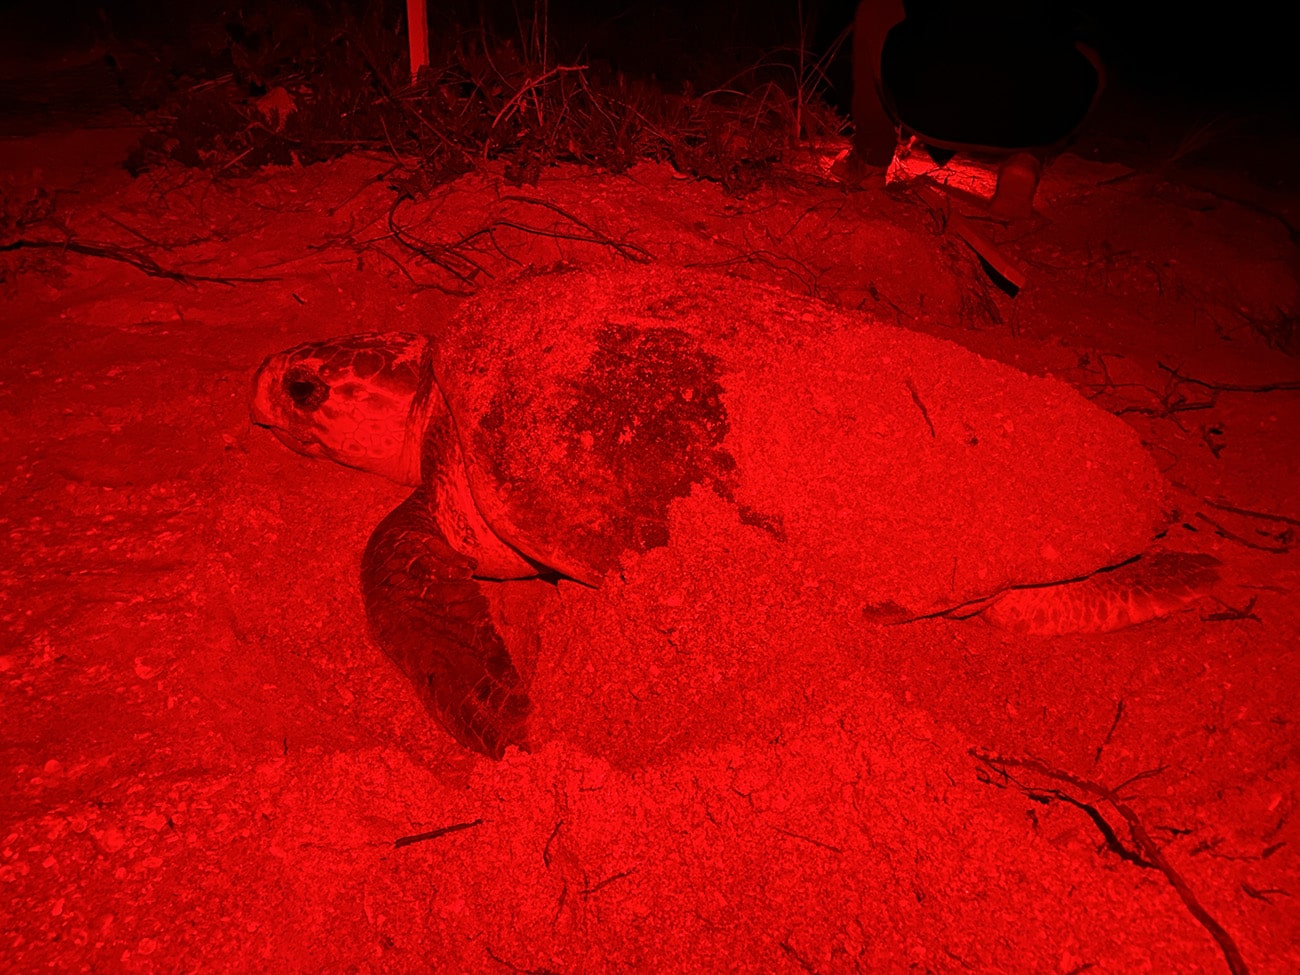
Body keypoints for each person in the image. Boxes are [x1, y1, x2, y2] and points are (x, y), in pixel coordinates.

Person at [851, 0, 1104, 216]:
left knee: (877, 7)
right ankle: (1028, 158)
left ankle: (871, 160)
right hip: (1034, 118)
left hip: (928, 102)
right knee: (1086, 47)